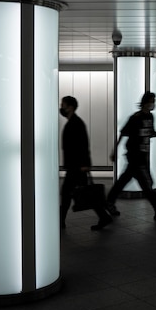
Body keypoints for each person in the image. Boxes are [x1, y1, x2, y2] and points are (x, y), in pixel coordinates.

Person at [105, 92, 156, 221]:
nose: (153, 104)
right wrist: (115, 151)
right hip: (135, 156)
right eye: (152, 101)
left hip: (143, 156)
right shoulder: (135, 118)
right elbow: (123, 133)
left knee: (125, 181)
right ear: (145, 102)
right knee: (146, 185)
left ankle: (109, 203)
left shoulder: (150, 117)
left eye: (154, 101)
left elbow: (150, 133)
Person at [59, 96, 113, 231]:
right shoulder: (73, 122)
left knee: (69, 193)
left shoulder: (76, 123)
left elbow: (83, 145)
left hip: (77, 166)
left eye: (63, 105)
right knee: (83, 193)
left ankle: (60, 221)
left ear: (70, 107)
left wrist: (84, 164)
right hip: (75, 165)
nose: (61, 107)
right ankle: (103, 216)